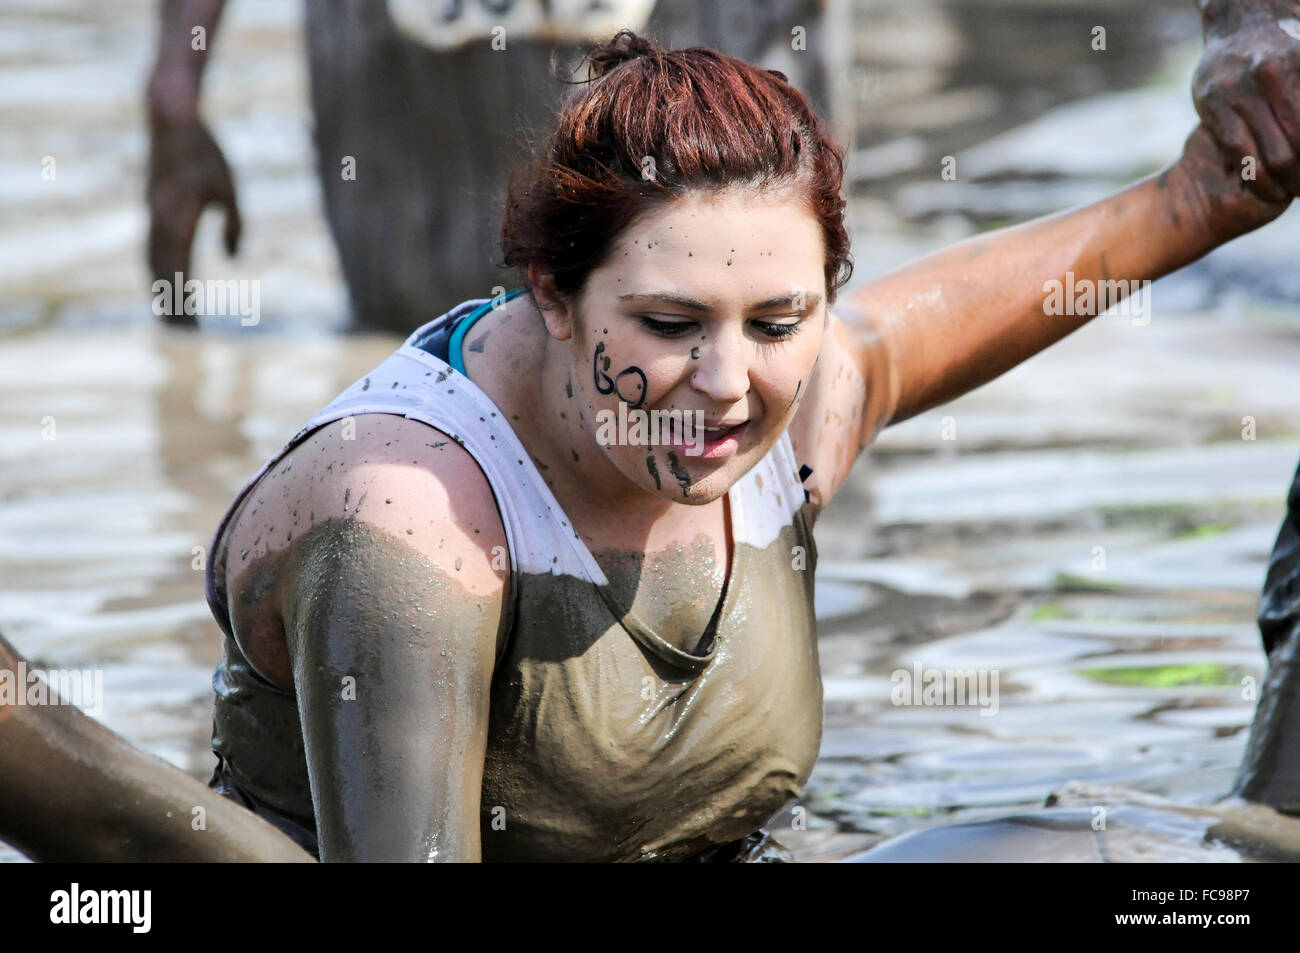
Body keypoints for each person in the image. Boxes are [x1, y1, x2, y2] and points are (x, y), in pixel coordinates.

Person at [3, 26, 1293, 862]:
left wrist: (1206, 194)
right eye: (668, 323)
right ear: (551, 299)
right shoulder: (410, 521)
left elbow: (927, 325)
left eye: (779, 319)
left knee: (1146, 866)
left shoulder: (783, 407)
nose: (726, 384)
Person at [146, 0, 834, 332]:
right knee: (415, 345)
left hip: (704, 30)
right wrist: (175, 95)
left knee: (744, 319)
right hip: (405, 78)